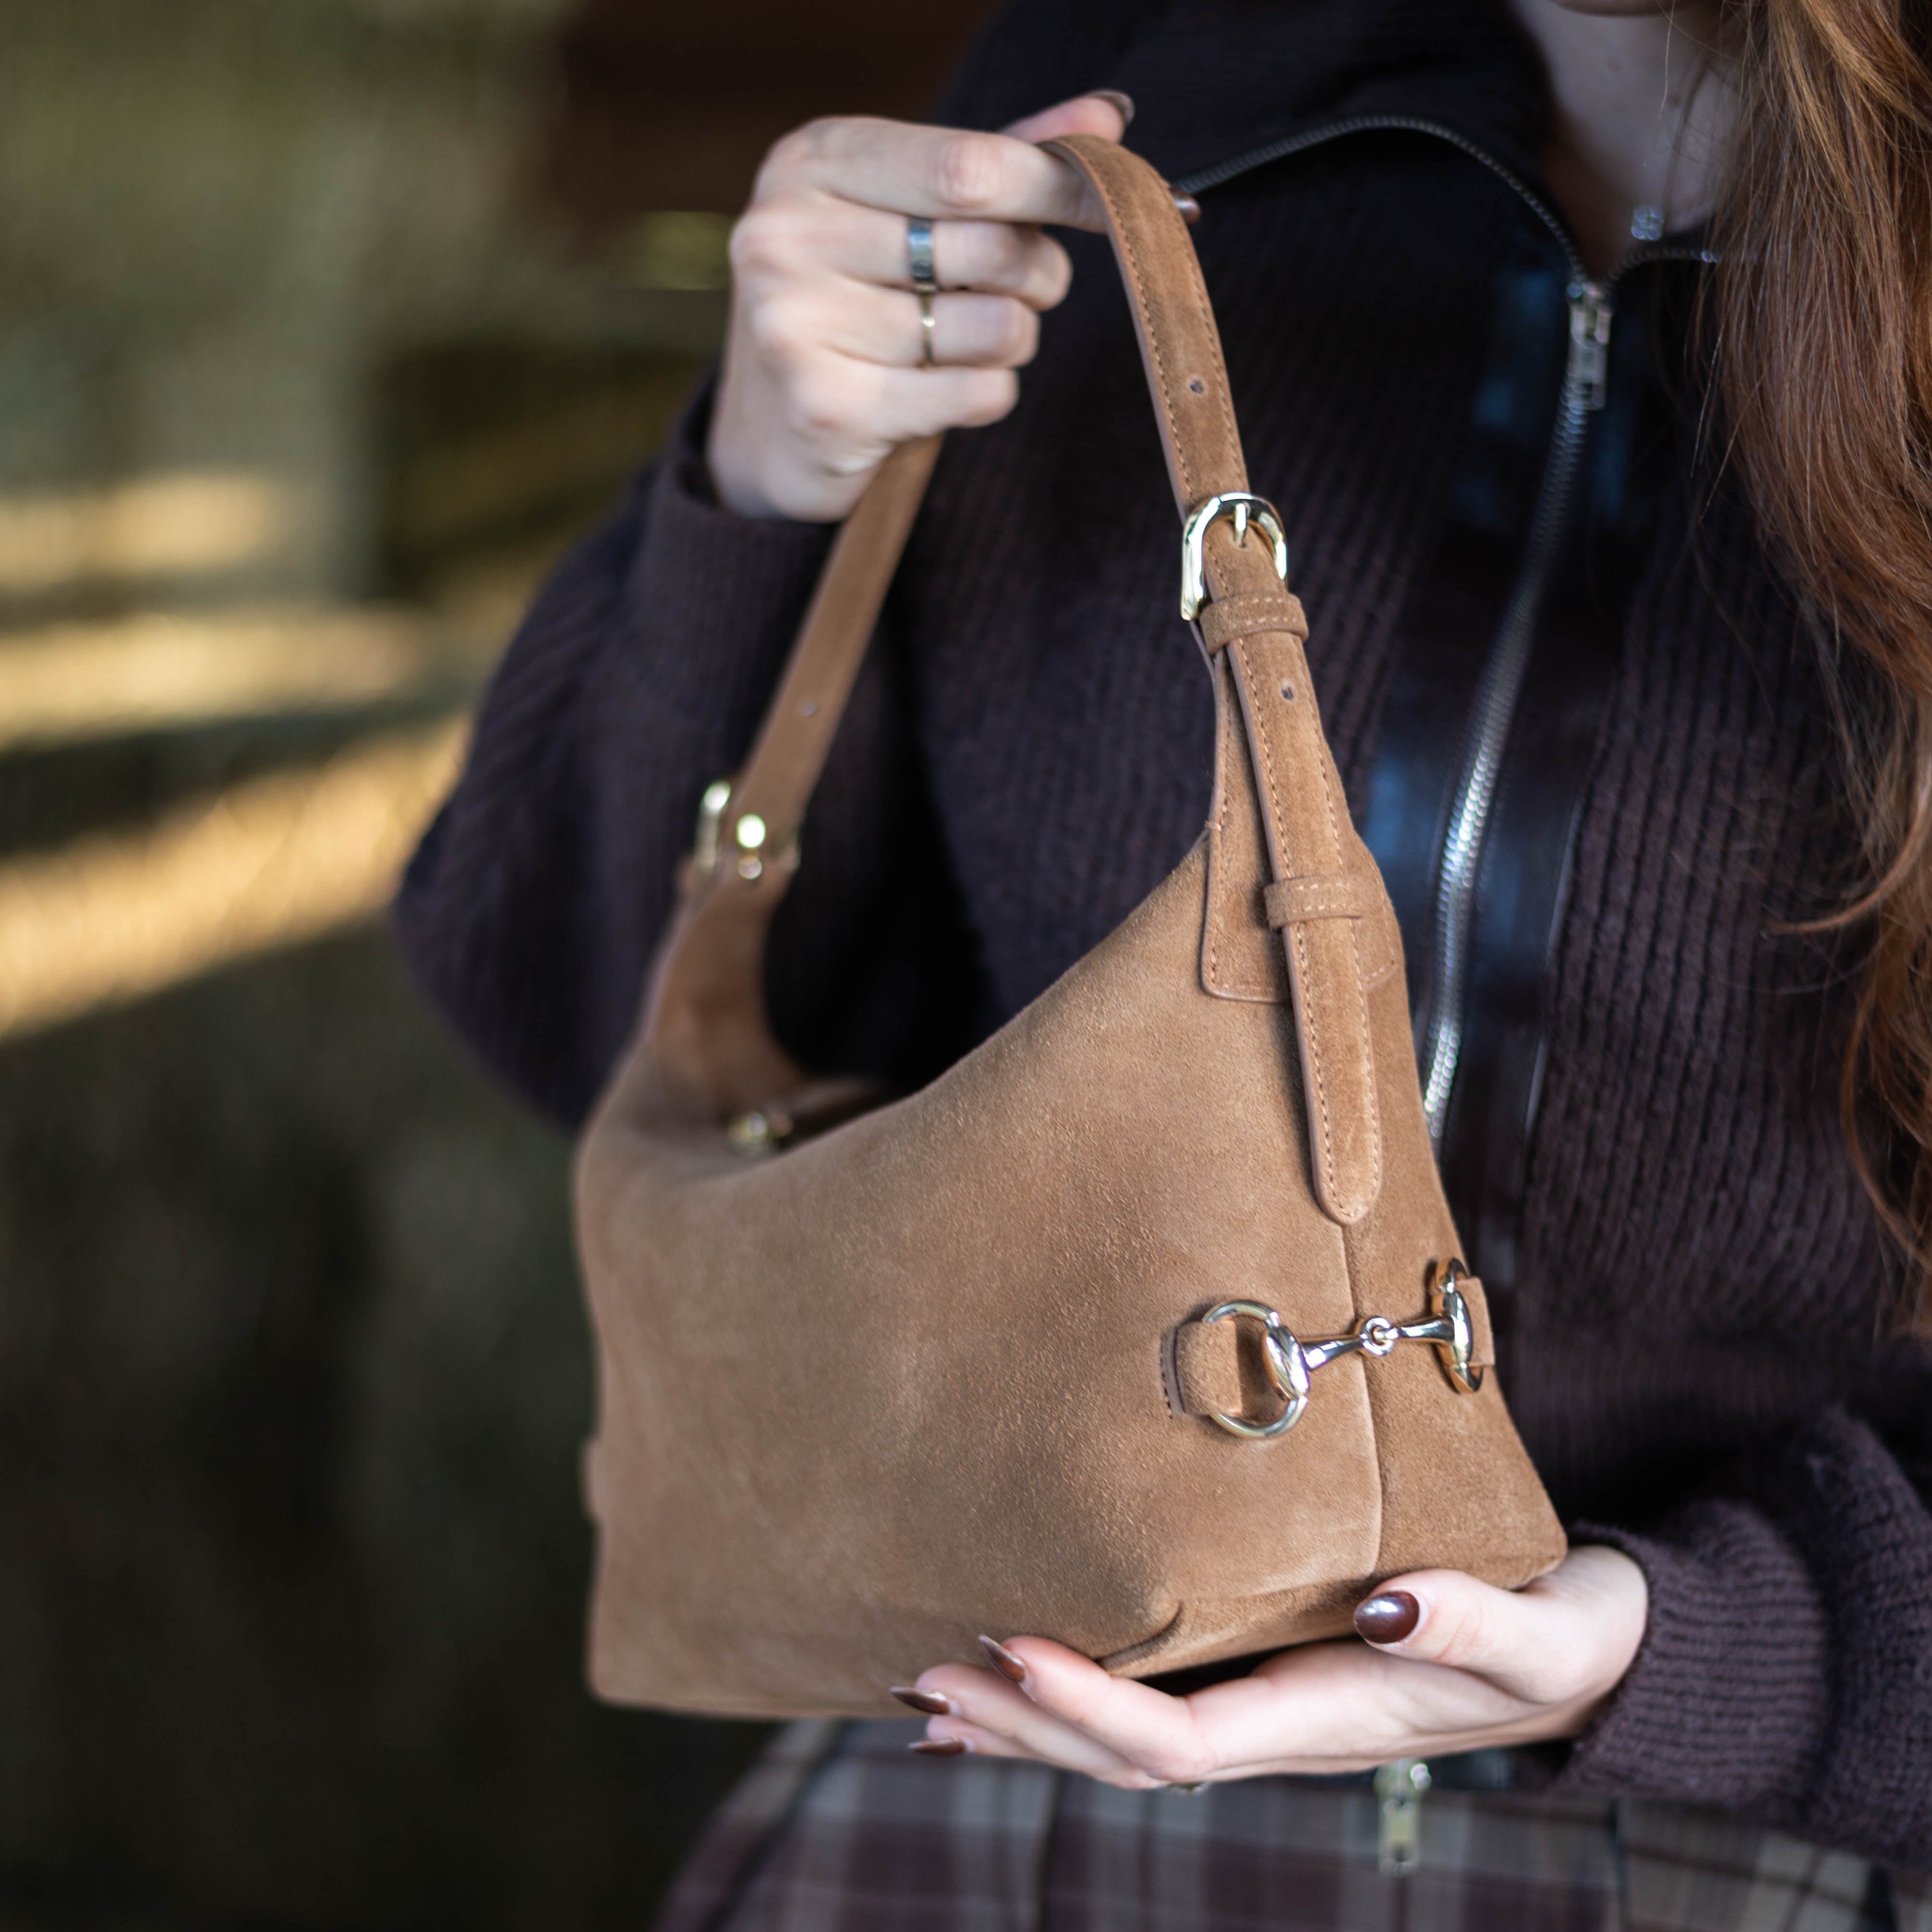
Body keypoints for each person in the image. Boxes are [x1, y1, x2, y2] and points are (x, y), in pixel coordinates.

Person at [395, 0, 1932, 1923]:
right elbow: (578, 1009)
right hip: (994, 1795)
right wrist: (761, 483)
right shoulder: (1144, 88)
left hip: (1785, 1852)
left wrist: (1695, 1645)